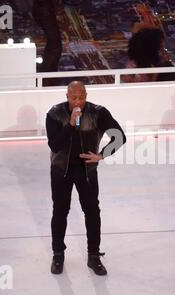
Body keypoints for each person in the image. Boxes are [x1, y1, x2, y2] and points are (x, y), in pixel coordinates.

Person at [46, 81, 126, 276]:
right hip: (61, 171)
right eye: (74, 98)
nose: (78, 102)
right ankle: (58, 255)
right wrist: (71, 124)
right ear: (67, 96)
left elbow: (119, 136)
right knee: (60, 211)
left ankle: (93, 256)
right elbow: (55, 146)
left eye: (81, 97)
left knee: (92, 212)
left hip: (86, 172)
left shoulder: (98, 112)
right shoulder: (54, 114)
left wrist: (102, 154)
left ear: (86, 95)